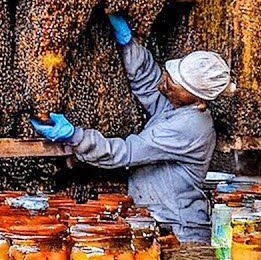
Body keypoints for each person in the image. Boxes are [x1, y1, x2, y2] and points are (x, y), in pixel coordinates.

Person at [30, 14, 232, 243]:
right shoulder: (178, 105)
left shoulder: (190, 127)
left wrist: (75, 136)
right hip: (158, 221)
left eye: (176, 83)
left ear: (199, 99)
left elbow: (125, 152)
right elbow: (148, 82)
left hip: (179, 230)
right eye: (171, 75)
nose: (166, 82)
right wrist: (128, 43)